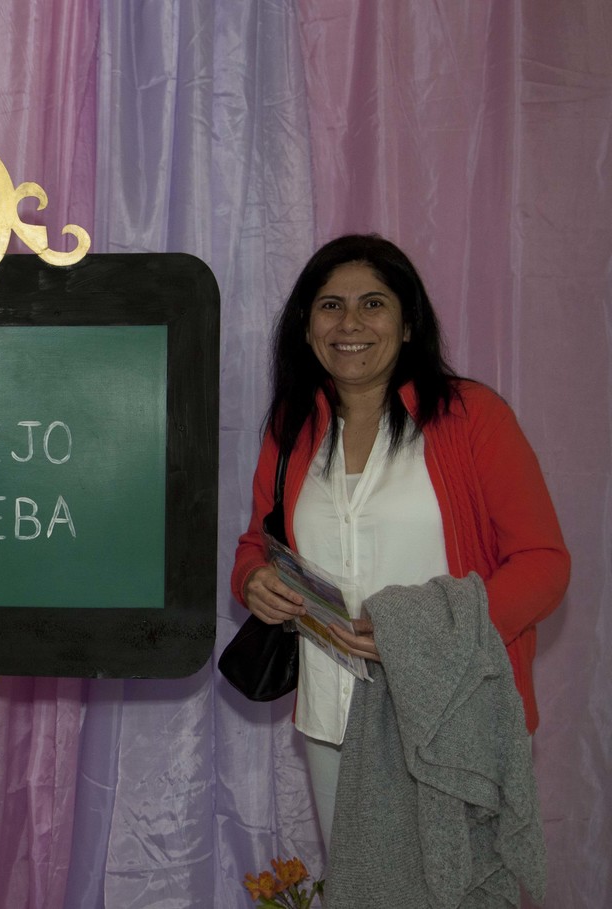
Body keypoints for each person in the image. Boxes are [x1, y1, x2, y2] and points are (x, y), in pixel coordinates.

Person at [229, 234, 568, 847]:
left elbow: (543, 564)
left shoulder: (472, 416)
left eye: (373, 304)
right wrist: (252, 579)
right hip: (333, 717)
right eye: (330, 306)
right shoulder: (292, 426)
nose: (349, 323)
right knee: (355, 885)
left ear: (408, 324)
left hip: (454, 713)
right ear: (306, 327)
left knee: (458, 885)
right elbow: (259, 540)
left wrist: (428, 632)